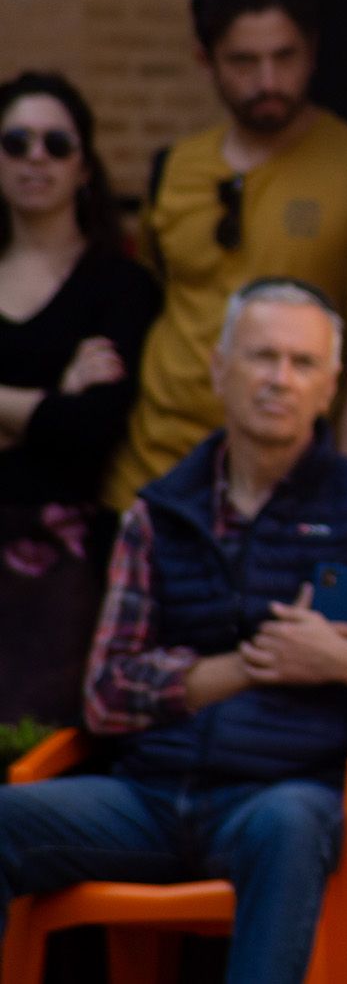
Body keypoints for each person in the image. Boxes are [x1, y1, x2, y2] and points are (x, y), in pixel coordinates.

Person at [0, 277, 347, 984]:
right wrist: (243, 666)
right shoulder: (157, 512)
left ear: (329, 387)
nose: (279, 379)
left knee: (289, 824)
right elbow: (108, 694)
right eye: (262, 357)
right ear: (219, 368)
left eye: (302, 364)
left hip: (284, 792)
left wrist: (346, 662)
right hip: (147, 798)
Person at [104, 0, 347, 510]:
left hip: (289, 472)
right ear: (205, 61)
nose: (268, 81)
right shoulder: (177, 166)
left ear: (313, 52)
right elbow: (156, 298)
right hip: (155, 470)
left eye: (285, 57)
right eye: (244, 62)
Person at [0, 72, 161, 723]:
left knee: (39, 745)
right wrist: (51, 397)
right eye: (15, 141)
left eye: (56, 143)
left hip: (65, 562)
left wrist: (27, 415)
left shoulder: (120, 285)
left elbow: (93, 427)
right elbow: (64, 419)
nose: (35, 157)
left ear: (85, 166)